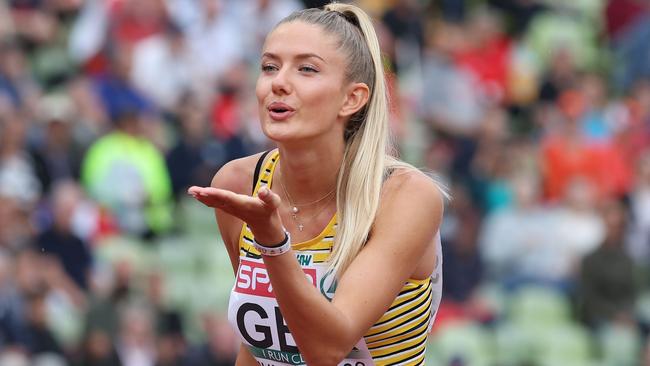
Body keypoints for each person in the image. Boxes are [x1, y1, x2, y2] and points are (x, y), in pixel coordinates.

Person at [188, 3, 444, 365]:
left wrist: (272, 241)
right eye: (269, 67)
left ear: (352, 98)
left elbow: (326, 348)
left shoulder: (404, 196)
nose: (278, 81)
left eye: (306, 69)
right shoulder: (239, 182)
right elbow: (260, 347)